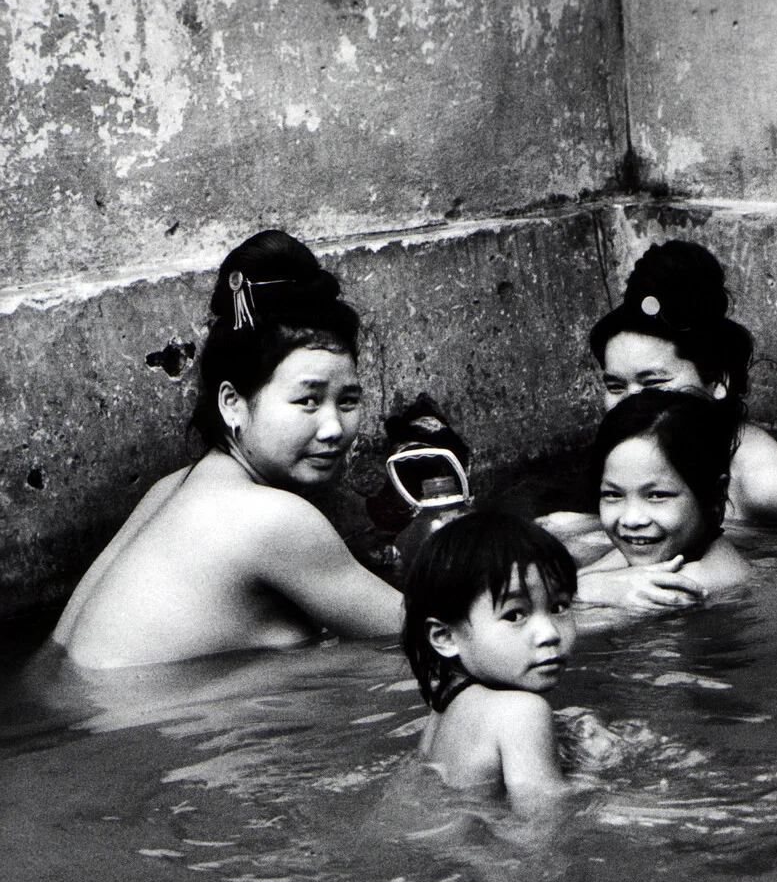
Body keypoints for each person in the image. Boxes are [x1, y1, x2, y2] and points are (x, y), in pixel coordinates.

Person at [52, 230, 402, 669]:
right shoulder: (274, 520)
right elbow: (434, 642)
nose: (334, 428)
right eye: (307, 400)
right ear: (232, 403)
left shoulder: (171, 489)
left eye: (347, 401)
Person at [591, 240, 777, 526]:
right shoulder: (635, 462)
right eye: (616, 386)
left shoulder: (766, 482)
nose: (630, 403)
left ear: (718, 381)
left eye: (653, 383)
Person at [400, 511, 578, 816]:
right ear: (445, 636)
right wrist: (594, 775)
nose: (550, 634)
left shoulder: (443, 709)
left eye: (558, 607)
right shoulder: (522, 712)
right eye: (514, 615)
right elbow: (545, 827)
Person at [580, 389, 749, 608]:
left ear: (715, 494)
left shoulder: (692, 585)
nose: (631, 519)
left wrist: (591, 589)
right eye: (613, 494)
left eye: (657, 496)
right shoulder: (660, 548)